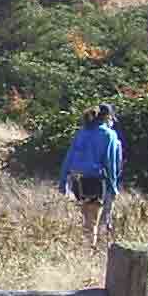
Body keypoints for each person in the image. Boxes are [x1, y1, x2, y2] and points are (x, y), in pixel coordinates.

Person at [58, 102, 124, 243]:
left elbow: (69, 157)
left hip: (77, 180)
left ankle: (87, 248)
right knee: (94, 221)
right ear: (107, 117)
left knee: (87, 219)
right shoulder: (109, 135)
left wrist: (63, 181)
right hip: (96, 181)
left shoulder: (81, 132)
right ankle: (90, 252)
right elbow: (110, 162)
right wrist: (113, 187)